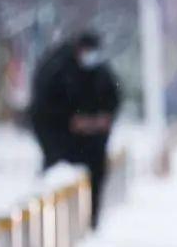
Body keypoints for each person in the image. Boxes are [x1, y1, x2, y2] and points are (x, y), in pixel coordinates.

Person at [30, 31, 120, 228]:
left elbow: (112, 99)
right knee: (59, 186)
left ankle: (90, 224)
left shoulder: (101, 73)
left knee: (94, 183)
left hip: (93, 145)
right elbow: (44, 109)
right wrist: (70, 122)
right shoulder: (57, 71)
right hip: (61, 145)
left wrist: (100, 121)